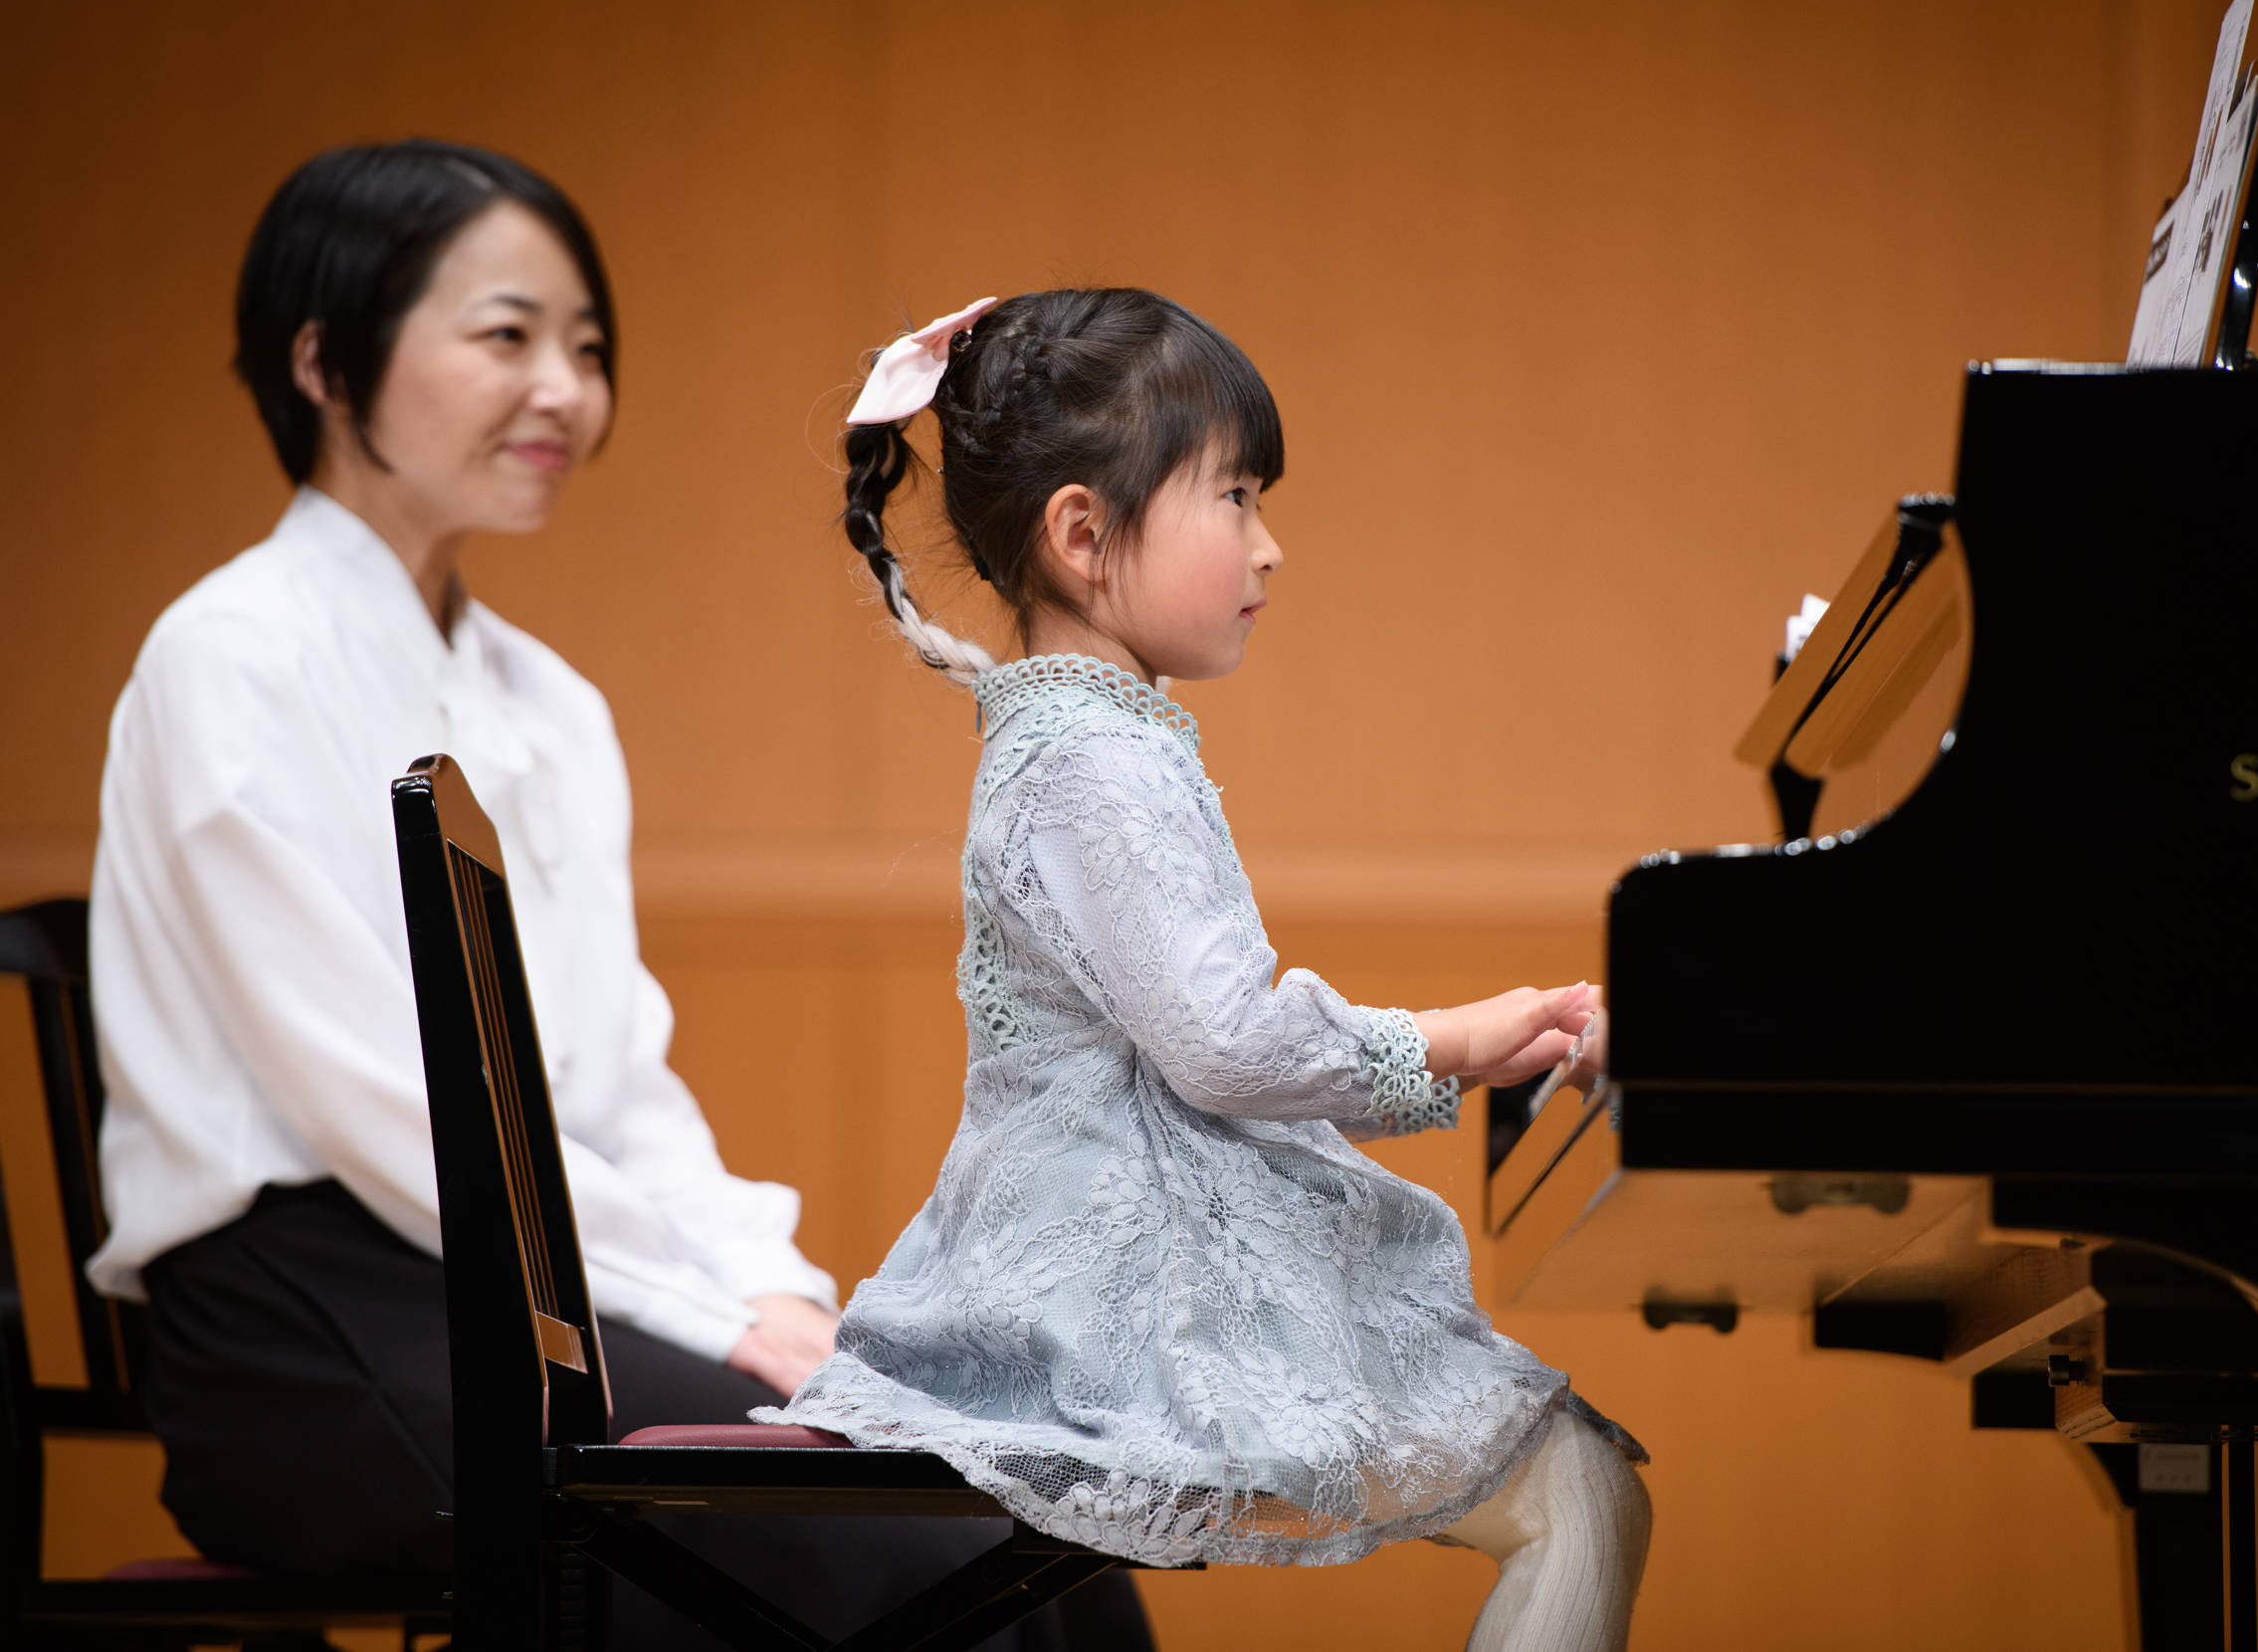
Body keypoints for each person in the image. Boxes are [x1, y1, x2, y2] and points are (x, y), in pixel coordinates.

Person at [86, 143, 1147, 1649]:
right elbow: (385, 1103)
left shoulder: (550, 699)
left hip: (523, 1281)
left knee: (1026, 1525)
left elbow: (613, 1086)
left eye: (586, 348)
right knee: (814, 1540)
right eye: (506, 334)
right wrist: (713, 1324)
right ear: (324, 358)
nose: (567, 391)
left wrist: (780, 1295)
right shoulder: (229, 656)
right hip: (311, 1321)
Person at [766, 288, 1654, 1651]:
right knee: (1581, 1488)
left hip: (1103, 1258)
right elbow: (1226, 1045)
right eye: (1233, 497)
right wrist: (1457, 1039)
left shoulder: (1090, 739)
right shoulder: (1092, 757)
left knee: (1580, 1480)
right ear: (1083, 534)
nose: (1269, 544)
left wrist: (1468, 1044)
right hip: (1111, 1309)